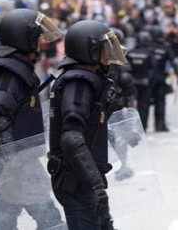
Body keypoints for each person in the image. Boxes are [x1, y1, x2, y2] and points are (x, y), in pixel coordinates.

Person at [0, 8, 64, 229]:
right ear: (24, 38)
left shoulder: (17, 67)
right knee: (50, 221)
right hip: (18, 163)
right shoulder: (11, 71)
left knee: (4, 223)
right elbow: (0, 116)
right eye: (36, 36)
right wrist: (13, 163)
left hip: (19, 161)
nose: (41, 41)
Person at [47, 20, 128, 229]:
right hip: (77, 181)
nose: (109, 54)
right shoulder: (79, 83)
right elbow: (71, 138)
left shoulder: (86, 79)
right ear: (89, 50)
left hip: (84, 178)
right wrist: (95, 186)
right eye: (104, 48)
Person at [107, 27, 137, 181]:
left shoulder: (101, 59)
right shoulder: (120, 61)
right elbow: (128, 81)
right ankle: (120, 167)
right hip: (115, 106)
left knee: (115, 138)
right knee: (120, 139)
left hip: (109, 106)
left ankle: (119, 167)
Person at [149, 25, 178, 132]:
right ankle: (160, 126)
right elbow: (174, 62)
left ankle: (143, 126)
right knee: (160, 102)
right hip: (160, 78)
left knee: (143, 104)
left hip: (148, 79)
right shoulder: (165, 47)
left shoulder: (147, 46)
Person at [126, 31, 156, 130]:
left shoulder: (130, 53)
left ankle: (130, 127)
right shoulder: (149, 53)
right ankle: (143, 127)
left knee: (130, 106)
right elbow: (153, 69)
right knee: (144, 106)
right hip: (145, 83)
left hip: (132, 83)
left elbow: (127, 68)